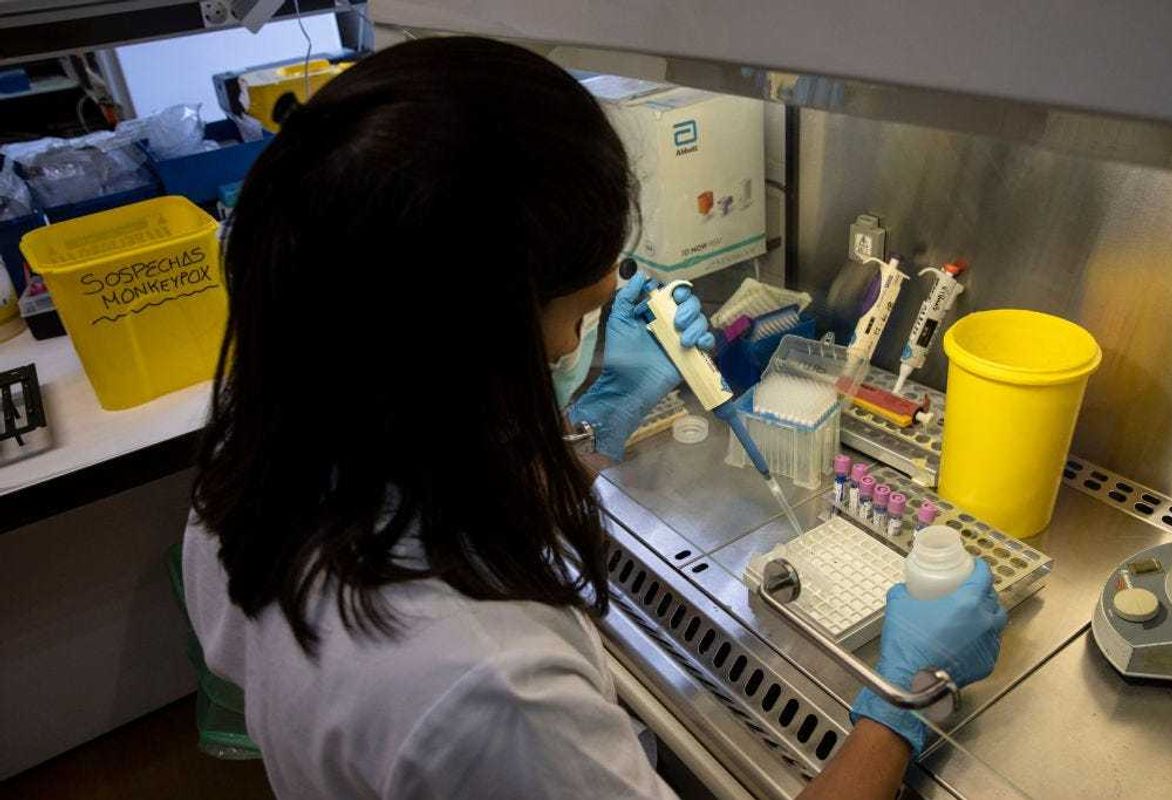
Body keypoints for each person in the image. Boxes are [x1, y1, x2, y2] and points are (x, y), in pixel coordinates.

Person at [184, 36, 1005, 800]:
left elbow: (434, 504)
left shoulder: (257, 460)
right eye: (578, 315)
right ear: (468, 347)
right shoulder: (495, 693)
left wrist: (589, 431)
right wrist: (899, 706)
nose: (575, 345)